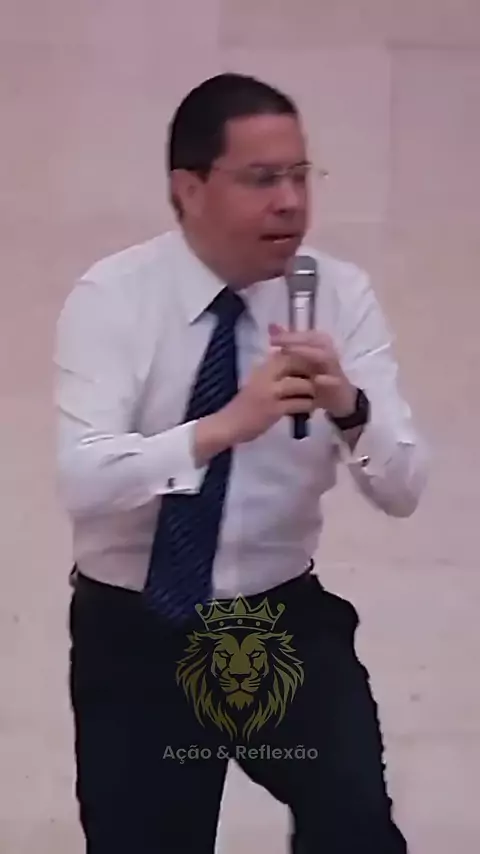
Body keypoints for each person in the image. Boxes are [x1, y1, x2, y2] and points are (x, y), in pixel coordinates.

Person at [54, 72, 427, 853]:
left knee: (356, 829)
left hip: (277, 617)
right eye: (262, 179)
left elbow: (404, 488)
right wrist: (223, 427)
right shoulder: (115, 296)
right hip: (139, 629)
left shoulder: (337, 295)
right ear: (188, 189)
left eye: (300, 176)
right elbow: (83, 478)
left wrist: (349, 405)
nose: (290, 203)